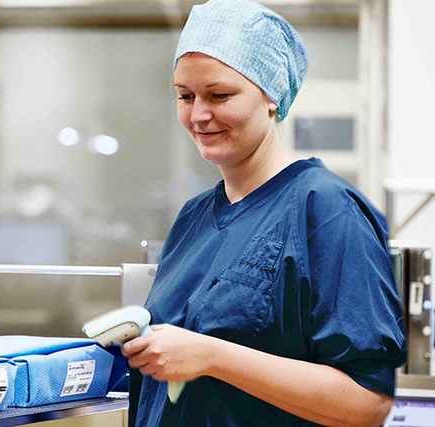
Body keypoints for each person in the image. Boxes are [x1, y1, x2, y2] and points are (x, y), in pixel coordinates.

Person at [120, 0, 406, 425]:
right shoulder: (194, 216)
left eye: (220, 95)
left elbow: (366, 402)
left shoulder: (325, 209)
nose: (198, 114)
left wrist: (212, 356)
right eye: (185, 96)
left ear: (271, 96)